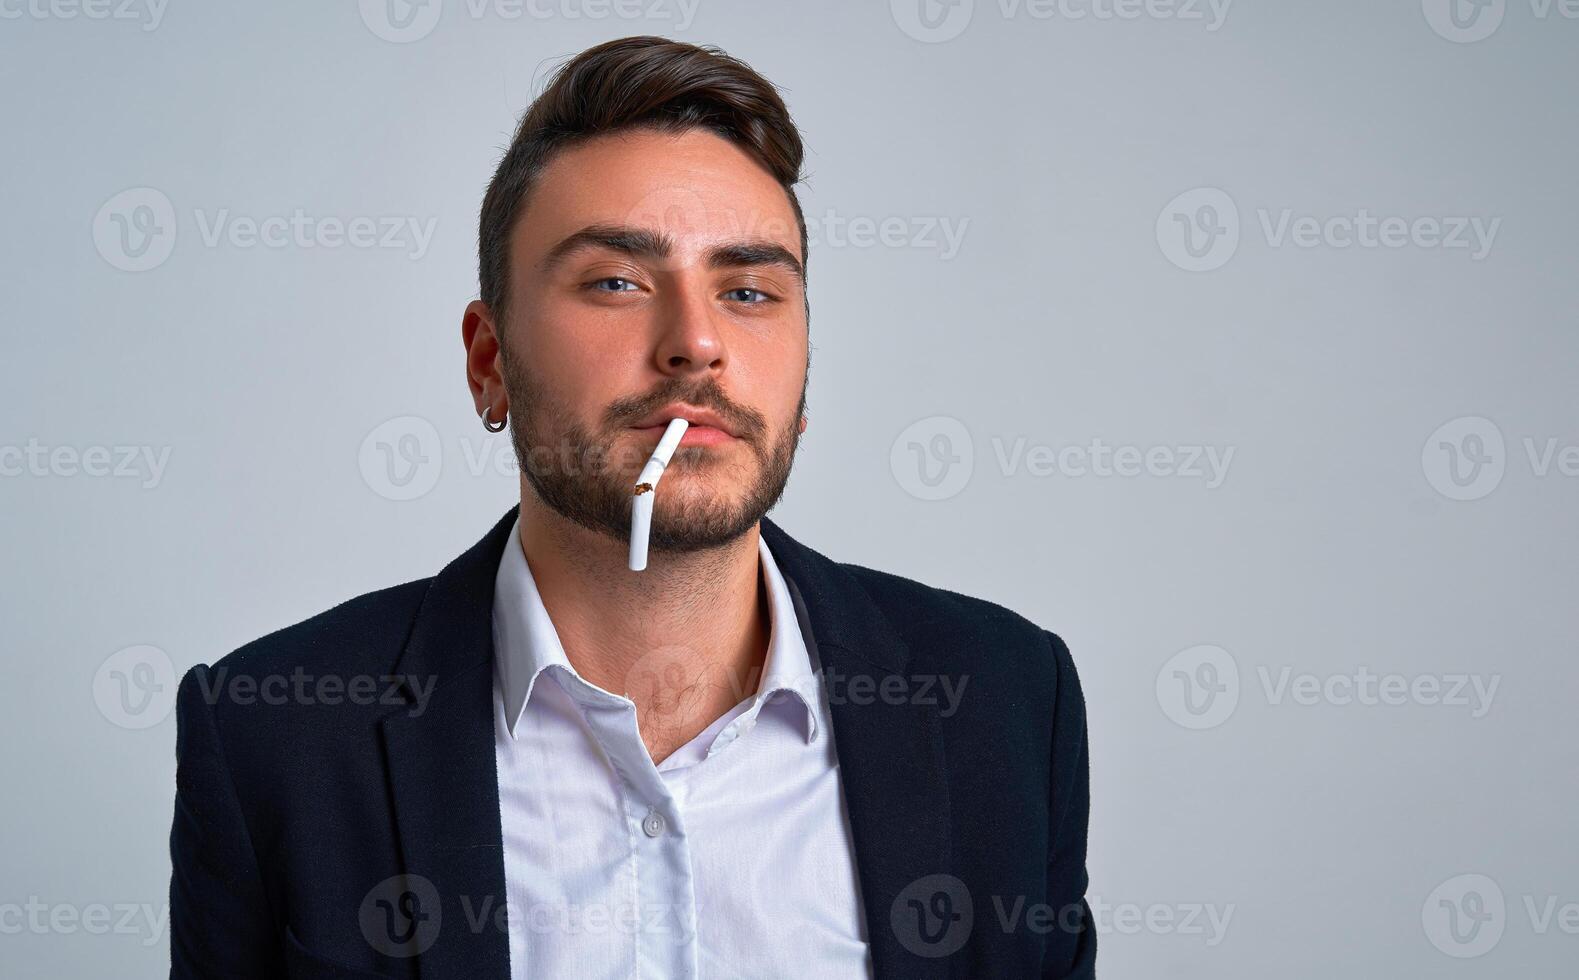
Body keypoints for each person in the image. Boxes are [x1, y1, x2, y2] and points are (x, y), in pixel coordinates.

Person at [168, 35, 1095, 979]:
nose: (696, 343)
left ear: (803, 372)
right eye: (616, 282)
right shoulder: (270, 734)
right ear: (489, 362)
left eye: (747, 290)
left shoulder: (1007, 700)